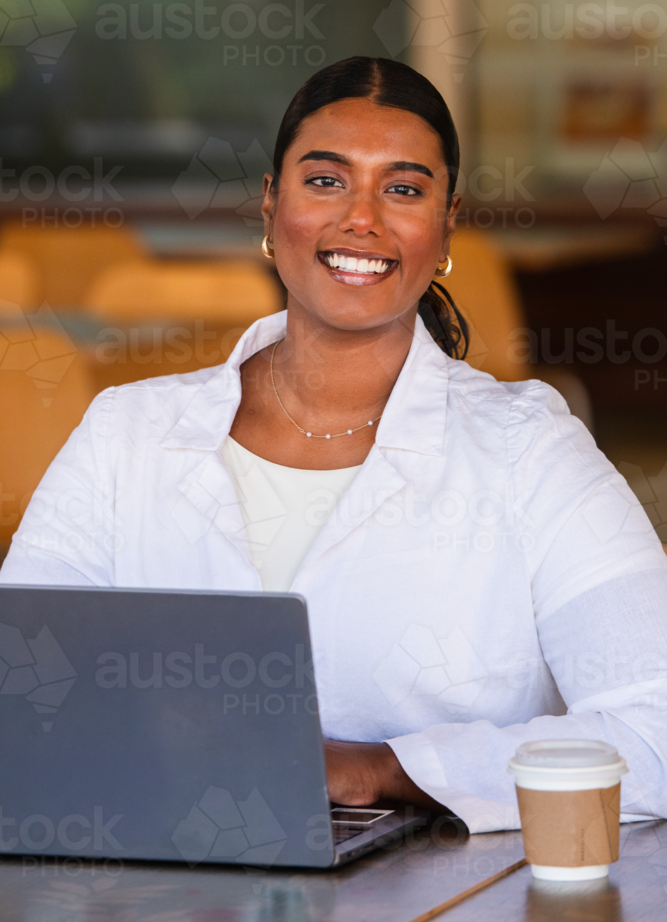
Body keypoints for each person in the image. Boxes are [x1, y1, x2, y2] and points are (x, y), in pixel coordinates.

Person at [2, 56, 666, 834]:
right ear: (269, 206)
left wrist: (385, 768)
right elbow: (19, 691)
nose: (362, 218)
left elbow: (652, 730)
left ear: (446, 223)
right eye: (325, 181)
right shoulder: (127, 434)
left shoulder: (530, 451)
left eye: (403, 188)